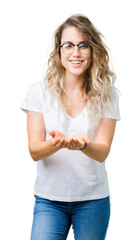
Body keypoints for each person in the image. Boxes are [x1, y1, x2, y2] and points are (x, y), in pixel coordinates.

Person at [20, 14, 120, 240]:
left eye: (83, 45)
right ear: (59, 51)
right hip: (49, 201)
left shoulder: (107, 94)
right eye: (68, 45)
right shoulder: (39, 92)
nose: (76, 53)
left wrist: (83, 146)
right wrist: (56, 144)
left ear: (93, 50)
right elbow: (35, 150)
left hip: (93, 200)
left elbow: (103, 150)